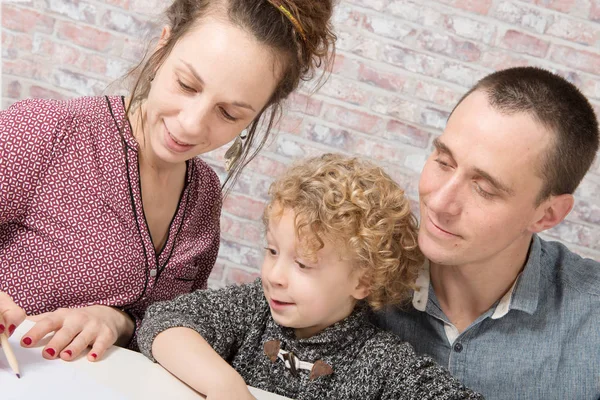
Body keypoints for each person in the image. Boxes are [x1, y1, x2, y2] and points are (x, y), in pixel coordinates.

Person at [0, 0, 336, 362]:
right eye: (187, 85)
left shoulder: (204, 197)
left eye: (228, 113)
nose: (192, 124)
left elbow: (175, 323)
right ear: (162, 48)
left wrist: (117, 320)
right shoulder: (48, 132)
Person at [137, 154, 483, 400]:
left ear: (363, 281)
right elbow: (164, 321)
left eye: (302, 265)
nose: (275, 276)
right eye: (272, 251)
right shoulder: (252, 309)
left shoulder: (381, 363)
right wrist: (223, 384)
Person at [374, 66, 600, 399]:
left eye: (483, 188)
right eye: (444, 161)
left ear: (547, 213)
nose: (439, 202)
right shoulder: (352, 274)